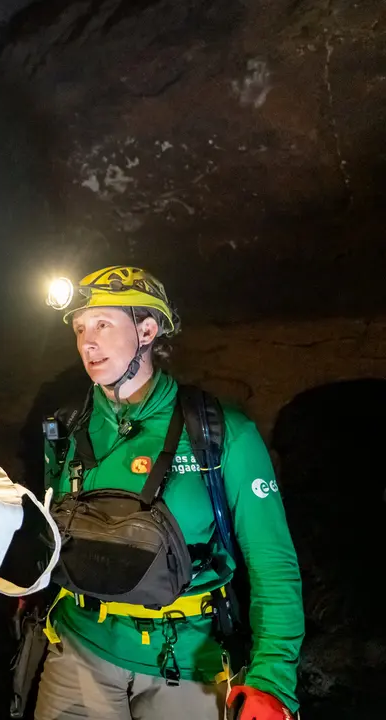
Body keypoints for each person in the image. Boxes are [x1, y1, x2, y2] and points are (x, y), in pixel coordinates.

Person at [35, 266, 303, 720]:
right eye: (80, 328)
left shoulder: (222, 433)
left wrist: (272, 680)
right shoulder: (65, 427)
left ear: (146, 330)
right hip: (79, 649)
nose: (87, 342)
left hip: (186, 662)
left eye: (103, 324)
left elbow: (272, 563)